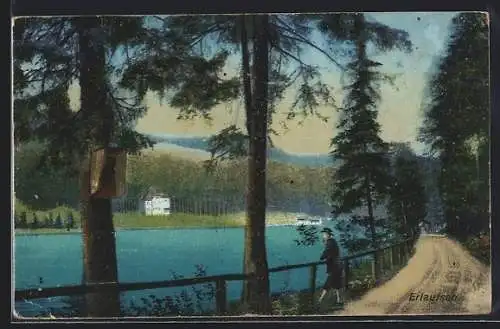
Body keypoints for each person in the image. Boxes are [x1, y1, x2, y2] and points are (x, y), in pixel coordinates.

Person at [318, 227, 343, 305]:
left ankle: (320, 300)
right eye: (323, 234)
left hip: (334, 266)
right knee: (336, 283)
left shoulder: (330, 242)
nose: (323, 235)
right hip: (337, 265)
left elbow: (326, 252)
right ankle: (338, 300)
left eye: (324, 234)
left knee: (328, 284)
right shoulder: (333, 242)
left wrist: (322, 257)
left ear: (328, 235)